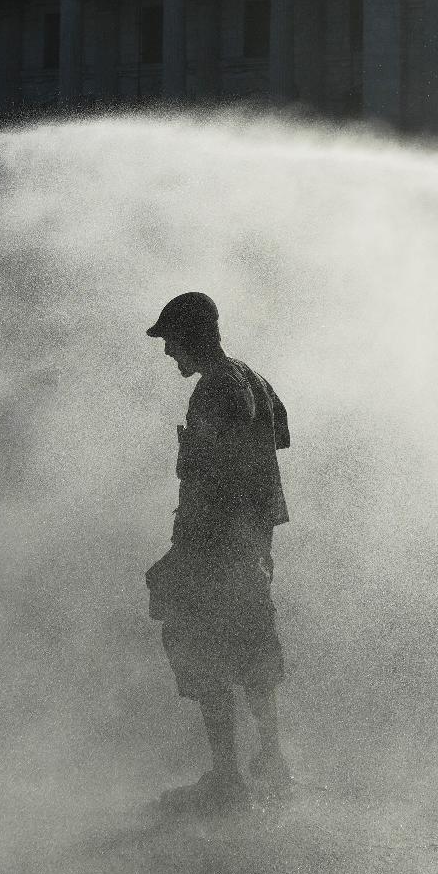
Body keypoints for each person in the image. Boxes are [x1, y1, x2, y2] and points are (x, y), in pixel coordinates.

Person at [144, 291, 293, 814]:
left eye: (171, 341)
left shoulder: (213, 392)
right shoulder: (254, 381)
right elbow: (265, 471)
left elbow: (212, 481)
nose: (168, 353)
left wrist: (180, 556)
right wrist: (258, 546)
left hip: (216, 548)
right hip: (250, 546)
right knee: (254, 652)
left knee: (205, 653)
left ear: (192, 335)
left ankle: (228, 781)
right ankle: (272, 763)